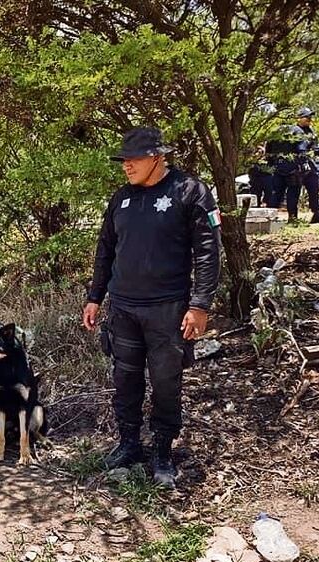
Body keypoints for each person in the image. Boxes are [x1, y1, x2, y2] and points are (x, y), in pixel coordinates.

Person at [82, 127, 221, 489]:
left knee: (165, 382)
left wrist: (200, 304)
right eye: (123, 160)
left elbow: (208, 252)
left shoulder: (189, 191)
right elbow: (105, 250)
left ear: (158, 158)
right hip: (123, 309)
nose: (126, 166)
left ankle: (162, 450)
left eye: (134, 159)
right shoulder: (122, 198)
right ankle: (129, 443)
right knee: (124, 379)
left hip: (167, 309)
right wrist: (95, 297)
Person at [293, 107, 319, 224]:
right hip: (297, 165)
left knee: (314, 188)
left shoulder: (310, 131)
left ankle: (317, 214)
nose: (309, 119)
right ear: (299, 118)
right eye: (307, 117)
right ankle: (293, 217)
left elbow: (314, 147)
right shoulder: (295, 131)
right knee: (294, 191)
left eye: (310, 117)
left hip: (310, 164)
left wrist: (317, 149)